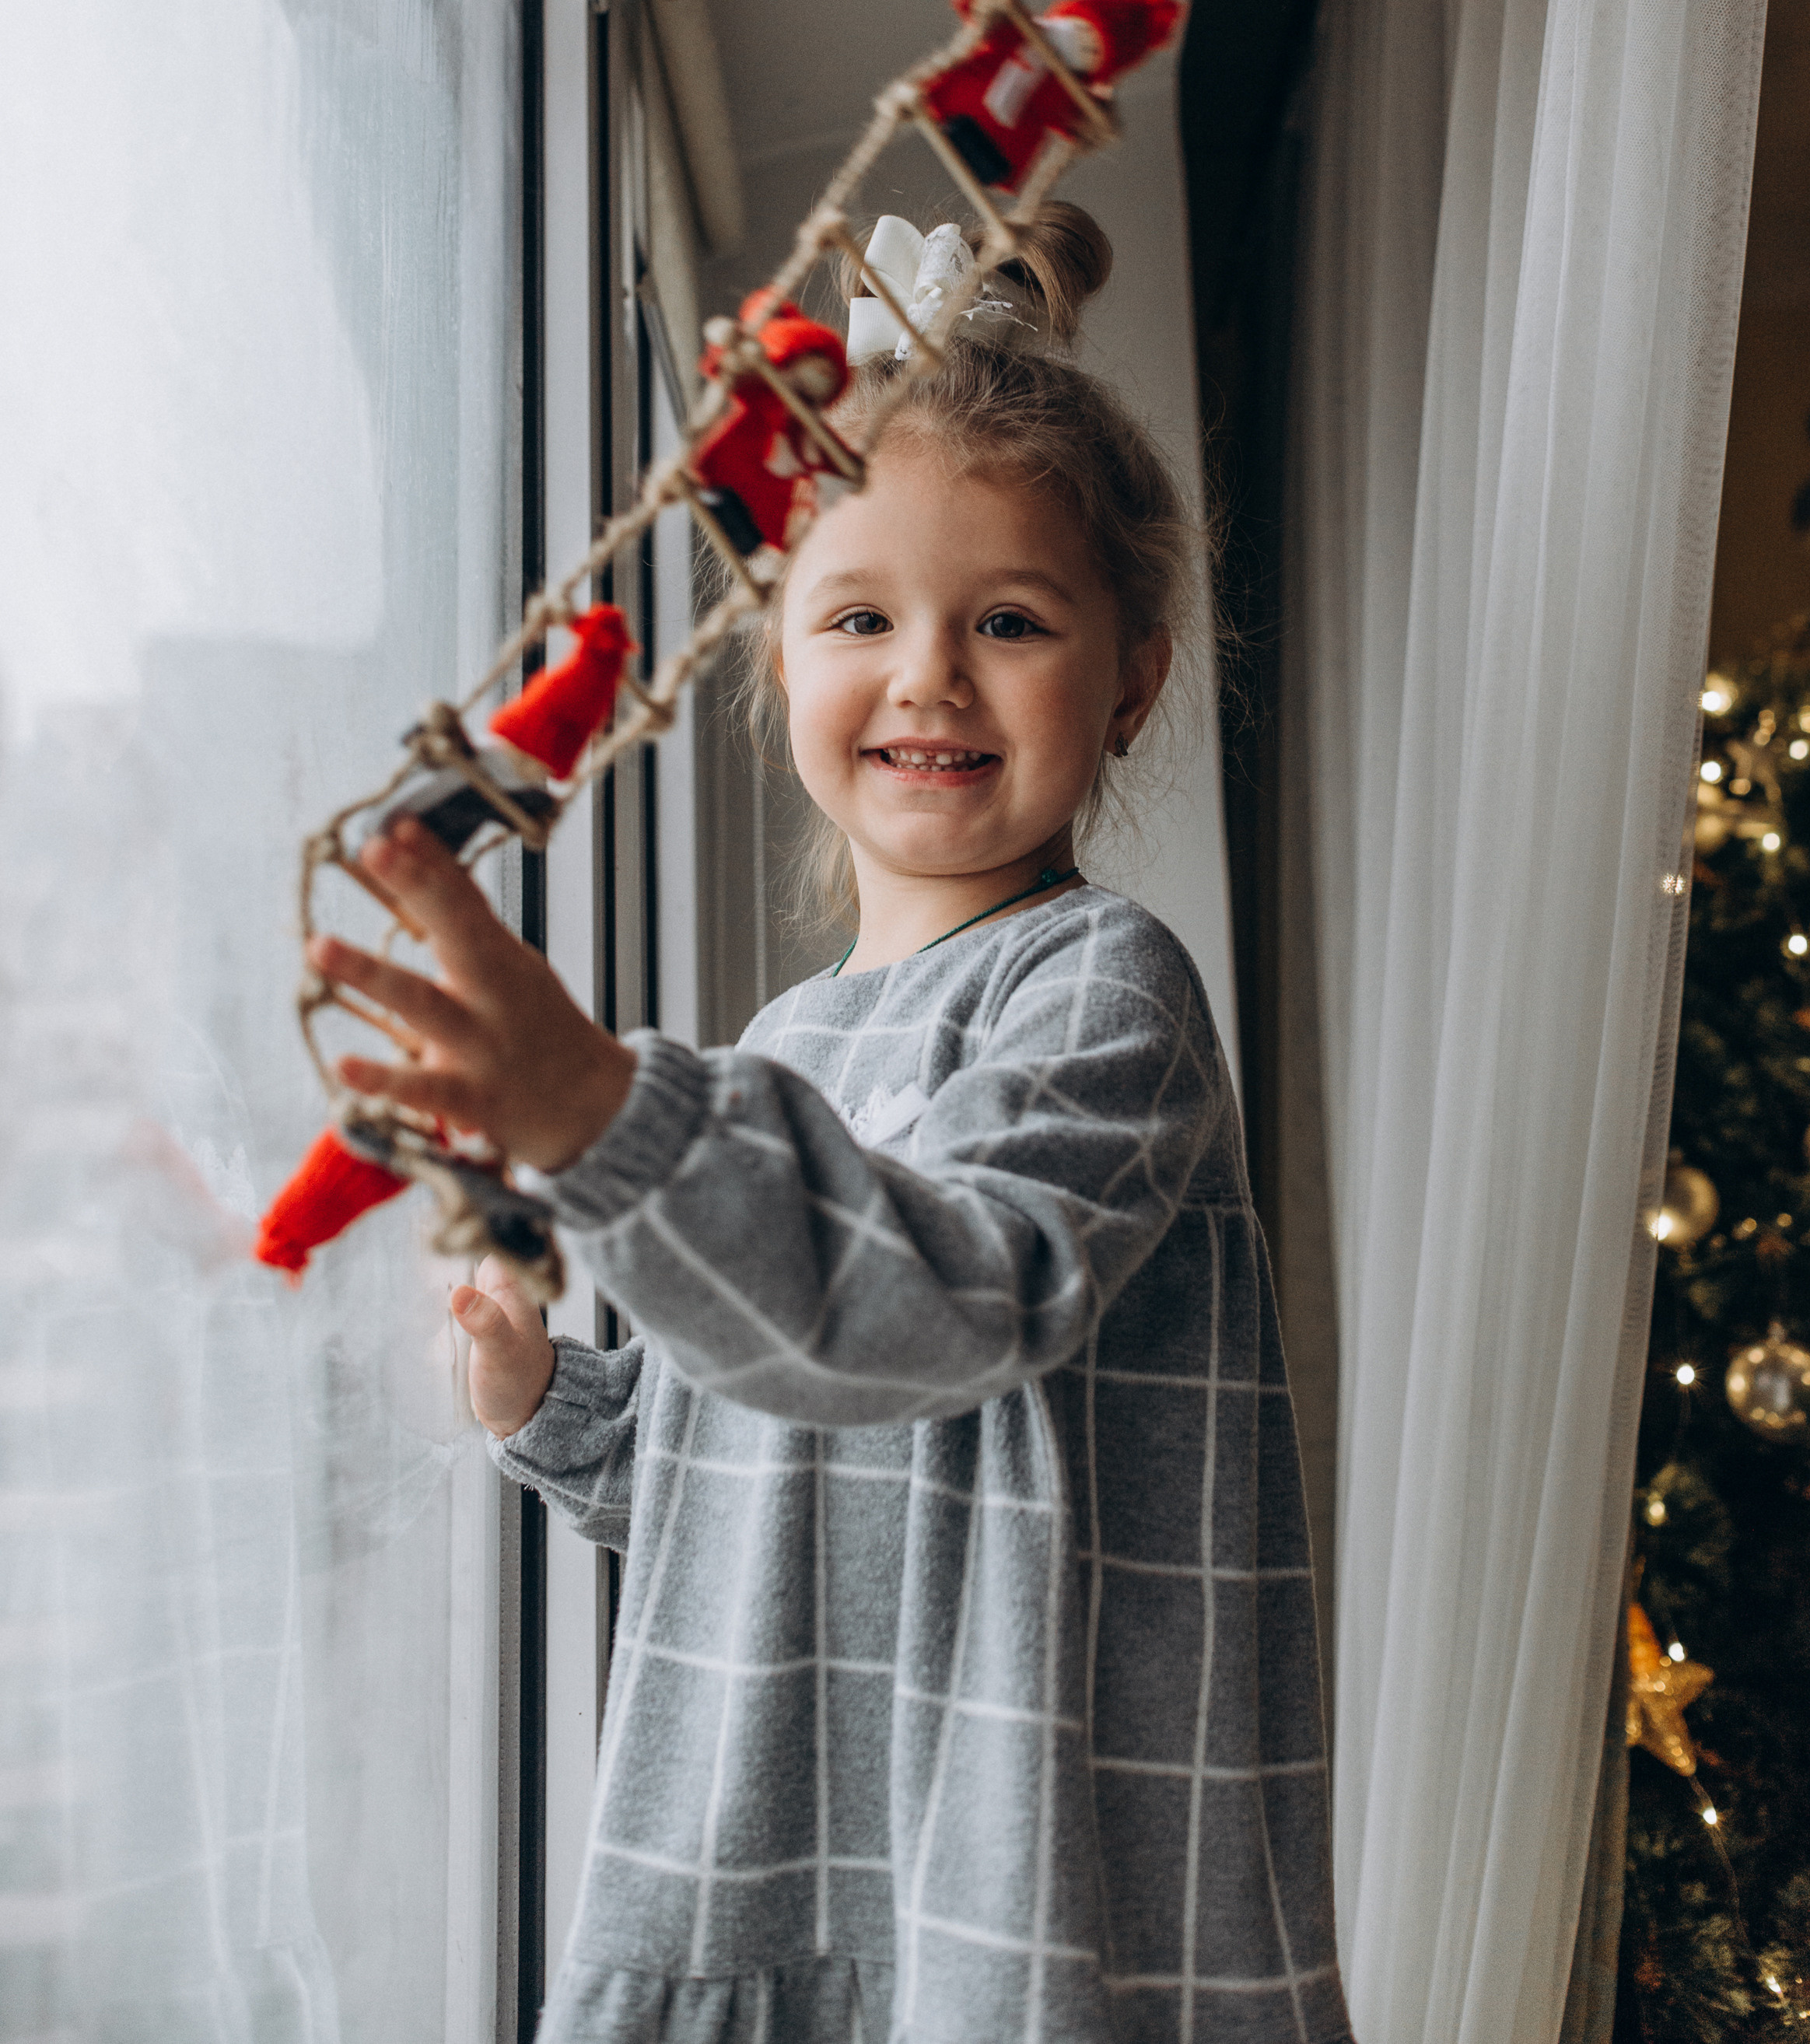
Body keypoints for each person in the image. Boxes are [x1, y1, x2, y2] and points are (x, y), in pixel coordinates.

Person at [307, 204, 1351, 2044]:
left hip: (1016, 1901)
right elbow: (762, 1459)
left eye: (1007, 621)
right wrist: (554, 1403)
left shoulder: (1103, 988)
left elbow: (943, 1300)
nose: (929, 674)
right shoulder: (785, 1045)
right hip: (779, 1867)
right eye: (859, 615)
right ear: (776, 662)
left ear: (1130, 677)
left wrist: (603, 1115)